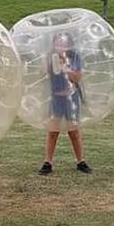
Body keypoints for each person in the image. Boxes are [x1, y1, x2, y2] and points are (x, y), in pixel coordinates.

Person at [38, 32, 92, 175]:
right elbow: (42, 73)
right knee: (53, 132)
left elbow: (78, 78)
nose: (61, 46)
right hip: (56, 99)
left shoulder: (74, 57)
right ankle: (48, 163)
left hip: (71, 98)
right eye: (58, 43)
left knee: (74, 132)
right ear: (53, 44)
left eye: (64, 43)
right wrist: (49, 60)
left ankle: (81, 162)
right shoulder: (50, 57)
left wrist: (66, 68)